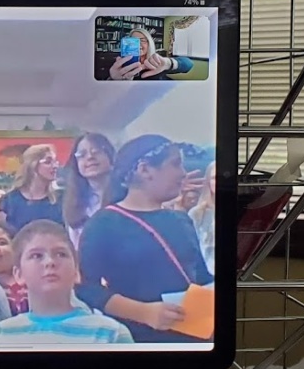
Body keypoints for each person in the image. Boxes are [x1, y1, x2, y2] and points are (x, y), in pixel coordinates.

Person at [77, 135, 212, 344]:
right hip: (136, 341)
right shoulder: (103, 224)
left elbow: (201, 278)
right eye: (175, 164)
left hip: (194, 340)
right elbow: (88, 288)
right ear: (145, 169)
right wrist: (144, 312)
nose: (183, 173)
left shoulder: (181, 219)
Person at [0, 220, 133, 345]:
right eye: (36, 256)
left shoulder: (110, 334)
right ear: (18, 274)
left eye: (61, 254)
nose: (50, 262)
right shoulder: (4, 333)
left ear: (76, 271)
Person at [61, 132, 115, 249]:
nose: (90, 157)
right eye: (82, 154)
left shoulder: (126, 194)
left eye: (96, 152)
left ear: (110, 156)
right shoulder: (74, 202)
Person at [0, 144, 63, 233]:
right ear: (33, 165)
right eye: (48, 162)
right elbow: (4, 235)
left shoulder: (61, 198)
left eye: (55, 162)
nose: (55, 166)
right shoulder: (9, 200)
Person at [108, 28, 194, 81]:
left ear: (149, 44)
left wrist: (168, 63)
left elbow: (189, 64)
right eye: (134, 41)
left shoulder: (157, 61)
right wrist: (113, 80)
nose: (138, 45)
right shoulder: (119, 64)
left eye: (142, 40)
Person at [189, 160, 216, 275]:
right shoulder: (197, 214)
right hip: (205, 275)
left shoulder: (240, 211)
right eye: (214, 178)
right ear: (208, 182)